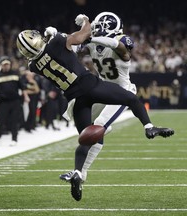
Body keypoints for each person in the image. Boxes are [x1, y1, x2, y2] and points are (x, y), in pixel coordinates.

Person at [16, 16, 174, 201]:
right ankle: (149, 127)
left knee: (86, 137)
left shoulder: (33, 66)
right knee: (127, 102)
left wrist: (60, 37)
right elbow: (82, 35)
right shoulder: (61, 42)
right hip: (93, 87)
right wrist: (81, 23)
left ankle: (78, 172)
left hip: (75, 98)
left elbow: (68, 51)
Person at [60, 11, 143, 194]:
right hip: (102, 91)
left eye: (98, 26)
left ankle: (81, 171)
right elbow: (72, 45)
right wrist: (58, 37)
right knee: (85, 129)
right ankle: (79, 174)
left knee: (97, 127)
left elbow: (119, 46)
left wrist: (92, 38)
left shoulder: (122, 40)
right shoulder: (92, 43)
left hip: (121, 93)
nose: (95, 30)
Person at [0, 59, 30, 146]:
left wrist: (26, 96)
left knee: (14, 120)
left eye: (7, 64)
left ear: (10, 65)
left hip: (15, 100)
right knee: (1, 120)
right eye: (4, 64)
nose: (6, 66)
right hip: (3, 101)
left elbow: (22, 86)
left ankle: (14, 139)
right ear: (1, 65)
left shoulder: (15, 74)